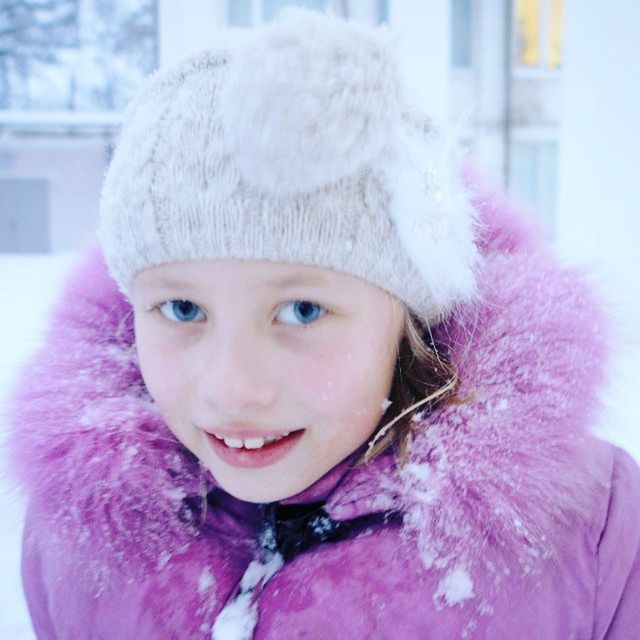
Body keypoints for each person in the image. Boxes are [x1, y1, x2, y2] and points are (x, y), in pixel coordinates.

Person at [7, 9, 640, 640]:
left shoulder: (592, 530)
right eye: (182, 309)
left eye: (302, 311)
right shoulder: (79, 544)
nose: (230, 388)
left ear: (409, 317)